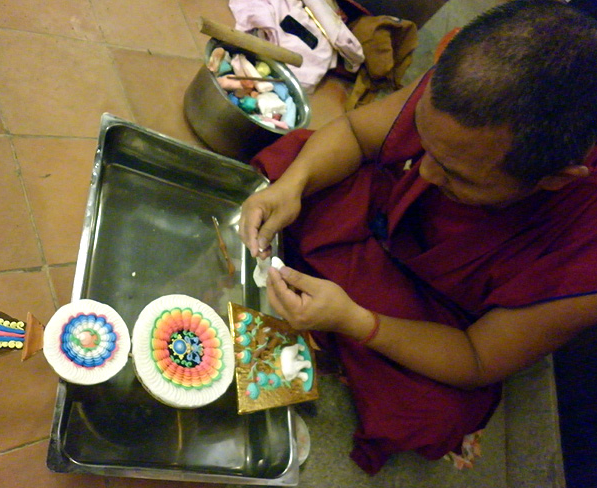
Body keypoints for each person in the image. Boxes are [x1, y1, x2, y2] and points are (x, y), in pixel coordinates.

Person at [237, 0, 597, 474]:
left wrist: (354, 319)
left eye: (456, 175)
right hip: (384, 217)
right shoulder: (473, 92)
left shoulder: (584, 252)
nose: (423, 171)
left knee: (431, 415)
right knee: (290, 164)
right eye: (424, 145)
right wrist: (294, 186)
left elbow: (477, 356)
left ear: (555, 179)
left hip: (445, 311)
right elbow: (356, 132)